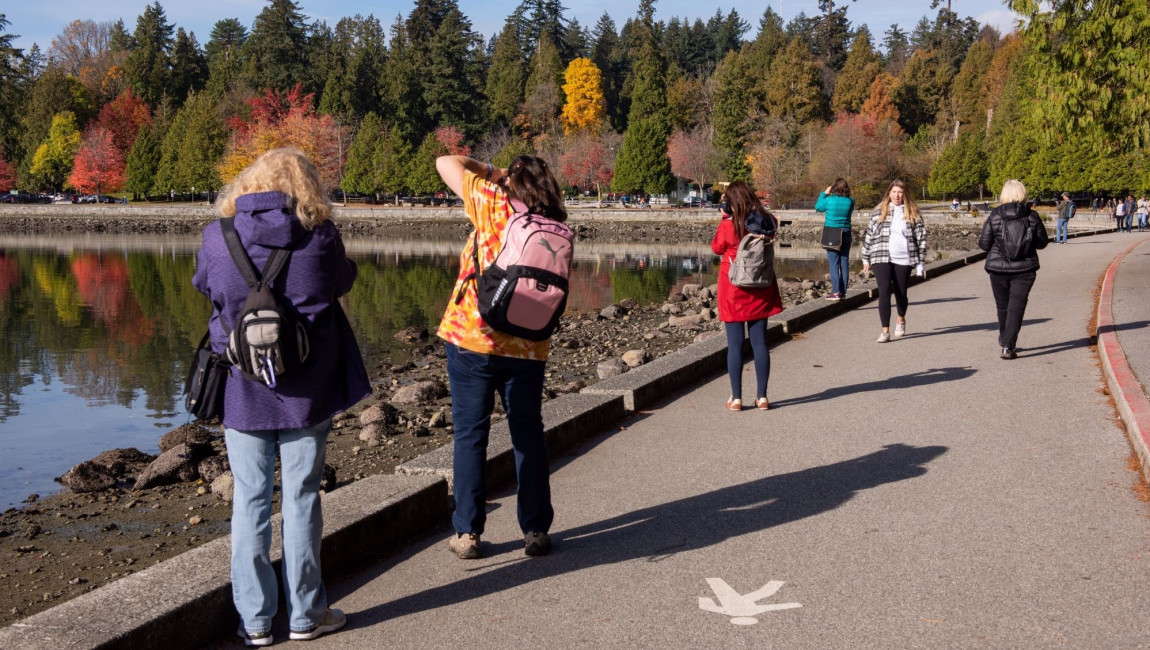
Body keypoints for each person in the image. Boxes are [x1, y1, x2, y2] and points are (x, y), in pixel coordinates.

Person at [192, 148, 368, 646]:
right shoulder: (321, 236)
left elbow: (206, 287)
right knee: (302, 497)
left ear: (248, 183)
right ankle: (307, 614)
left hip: (242, 386)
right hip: (307, 388)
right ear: (306, 186)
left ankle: (255, 622)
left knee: (248, 502)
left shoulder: (217, 236)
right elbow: (341, 282)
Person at [435, 154, 566, 560]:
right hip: (529, 343)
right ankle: (535, 529)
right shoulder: (557, 223)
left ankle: (468, 533)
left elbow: (446, 161)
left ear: (512, 180)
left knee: (471, 436)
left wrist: (494, 173)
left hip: (472, 336)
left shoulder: (492, 201)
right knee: (527, 434)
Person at [711, 180, 784, 411]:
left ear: (730, 202)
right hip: (761, 285)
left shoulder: (728, 225)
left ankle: (736, 398)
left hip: (734, 287)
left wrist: (725, 217)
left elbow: (717, 248)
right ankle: (762, 397)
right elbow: (774, 223)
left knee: (734, 345)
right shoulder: (765, 222)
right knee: (760, 343)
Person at [978, 179, 1049, 360]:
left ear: (1004, 194)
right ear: (1023, 194)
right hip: (1025, 267)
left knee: (1002, 306)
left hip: (998, 268)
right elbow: (1042, 243)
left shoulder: (995, 215)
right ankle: (1008, 345)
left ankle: (1005, 339)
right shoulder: (1032, 216)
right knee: (1017, 306)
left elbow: (984, 244)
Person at [861, 179, 927, 343]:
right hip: (881, 256)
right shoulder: (879, 212)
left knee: (901, 293)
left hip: (904, 257)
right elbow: (869, 235)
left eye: (900, 192)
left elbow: (921, 239)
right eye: (894, 192)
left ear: (905, 194)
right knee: (884, 292)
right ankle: (885, 331)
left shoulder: (913, 213)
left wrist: (920, 264)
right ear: (889, 193)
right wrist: (865, 257)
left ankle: (901, 319)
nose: (897, 195)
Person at [814, 178, 856, 302]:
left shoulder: (829, 200)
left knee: (834, 264)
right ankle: (843, 292)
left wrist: (825, 193)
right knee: (844, 263)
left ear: (834, 188)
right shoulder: (851, 201)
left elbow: (818, 207)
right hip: (846, 232)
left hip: (832, 232)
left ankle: (836, 291)